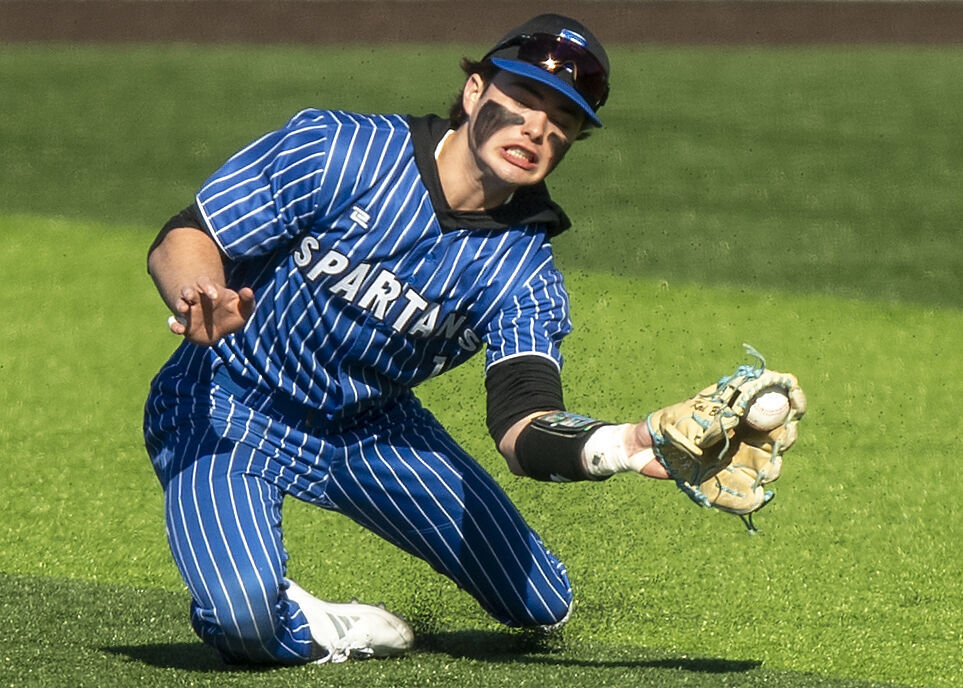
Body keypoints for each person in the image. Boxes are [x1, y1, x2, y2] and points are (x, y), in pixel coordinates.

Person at [144, 13, 672, 666]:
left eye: (562, 119)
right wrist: (197, 293)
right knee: (244, 619)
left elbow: (520, 421)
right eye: (524, 98)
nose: (537, 127)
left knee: (543, 604)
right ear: (475, 91)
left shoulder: (522, 272)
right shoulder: (337, 150)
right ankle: (322, 628)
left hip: (371, 429)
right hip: (224, 403)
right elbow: (188, 234)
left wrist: (620, 444)